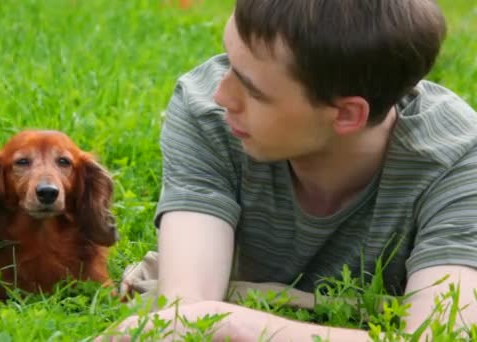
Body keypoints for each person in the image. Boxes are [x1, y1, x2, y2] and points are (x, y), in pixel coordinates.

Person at [103, 0, 477, 340]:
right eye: (230, 61)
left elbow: (442, 335)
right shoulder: (207, 113)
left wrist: (232, 323)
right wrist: (202, 316)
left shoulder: (458, 160)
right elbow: (183, 313)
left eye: (253, 90)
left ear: (346, 114)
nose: (222, 96)